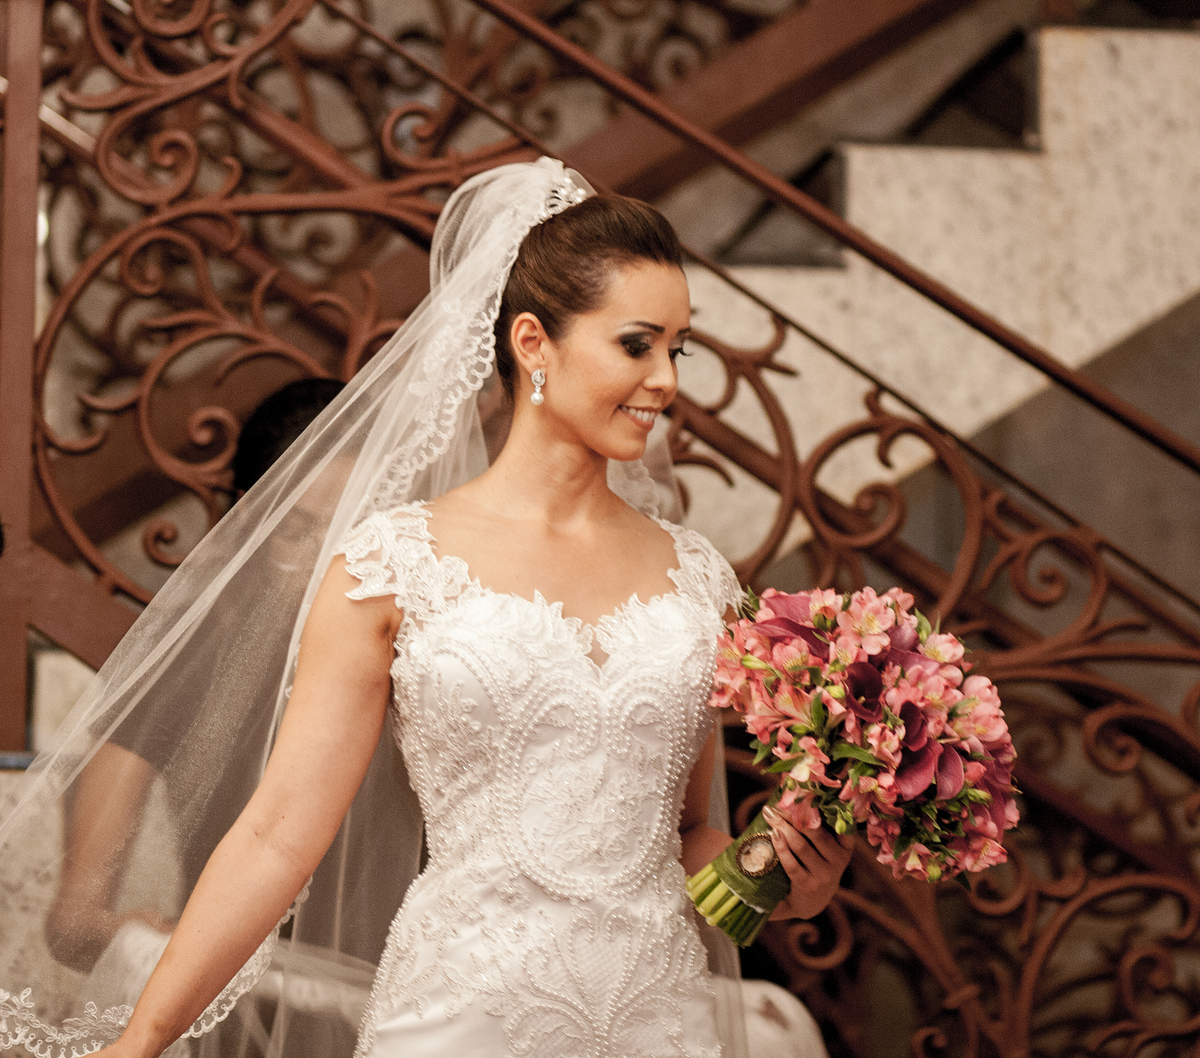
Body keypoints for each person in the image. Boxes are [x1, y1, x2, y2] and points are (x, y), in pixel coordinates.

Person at [0, 159, 851, 1058]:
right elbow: (276, 834)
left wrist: (784, 878)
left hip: (656, 1024)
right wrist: (140, 1042)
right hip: (459, 1019)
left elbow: (684, 835)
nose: (666, 381)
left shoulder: (698, 579)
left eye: (676, 348)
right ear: (534, 344)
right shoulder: (393, 565)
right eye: (636, 345)